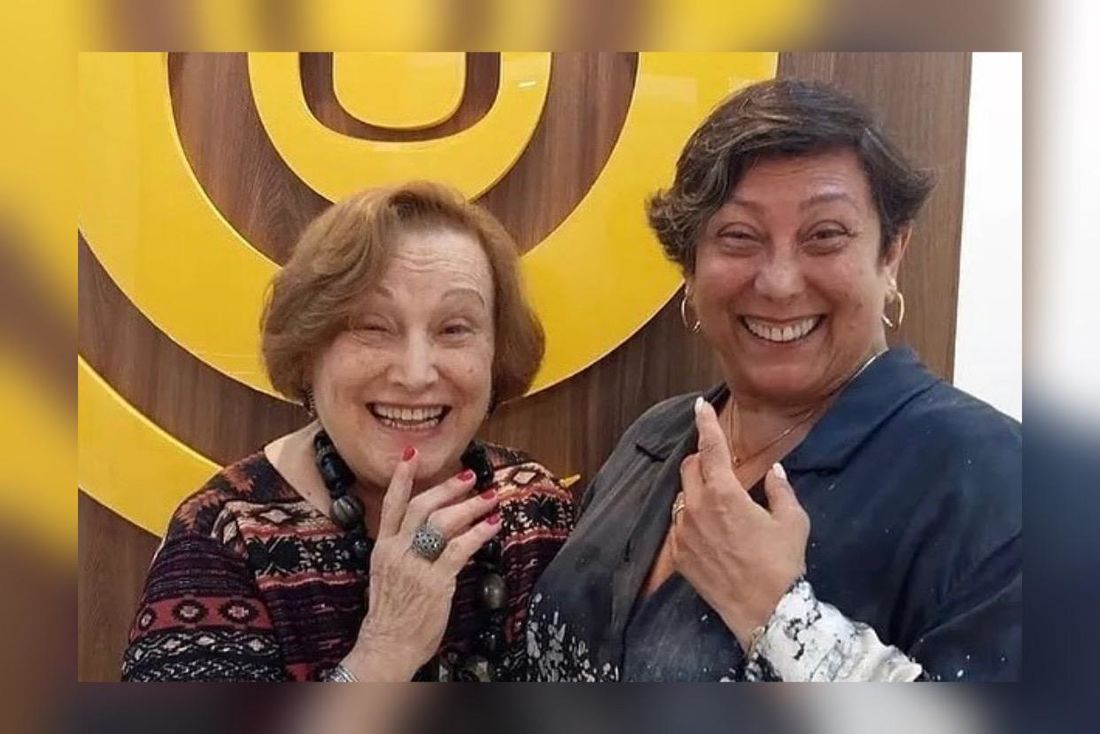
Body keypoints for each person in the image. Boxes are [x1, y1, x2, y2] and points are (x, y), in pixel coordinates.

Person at [526, 78, 1021, 682]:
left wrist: (779, 614)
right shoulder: (654, 438)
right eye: (739, 237)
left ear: (892, 253)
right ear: (690, 267)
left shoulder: (998, 479)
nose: (780, 283)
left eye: (825, 235)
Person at [121, 182, 574, 682]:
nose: (416, 374)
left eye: (454, 329)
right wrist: (385, 649)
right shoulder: (222, 540)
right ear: (308, 349)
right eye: (373, 326)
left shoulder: (534, 508)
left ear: (497, 352)